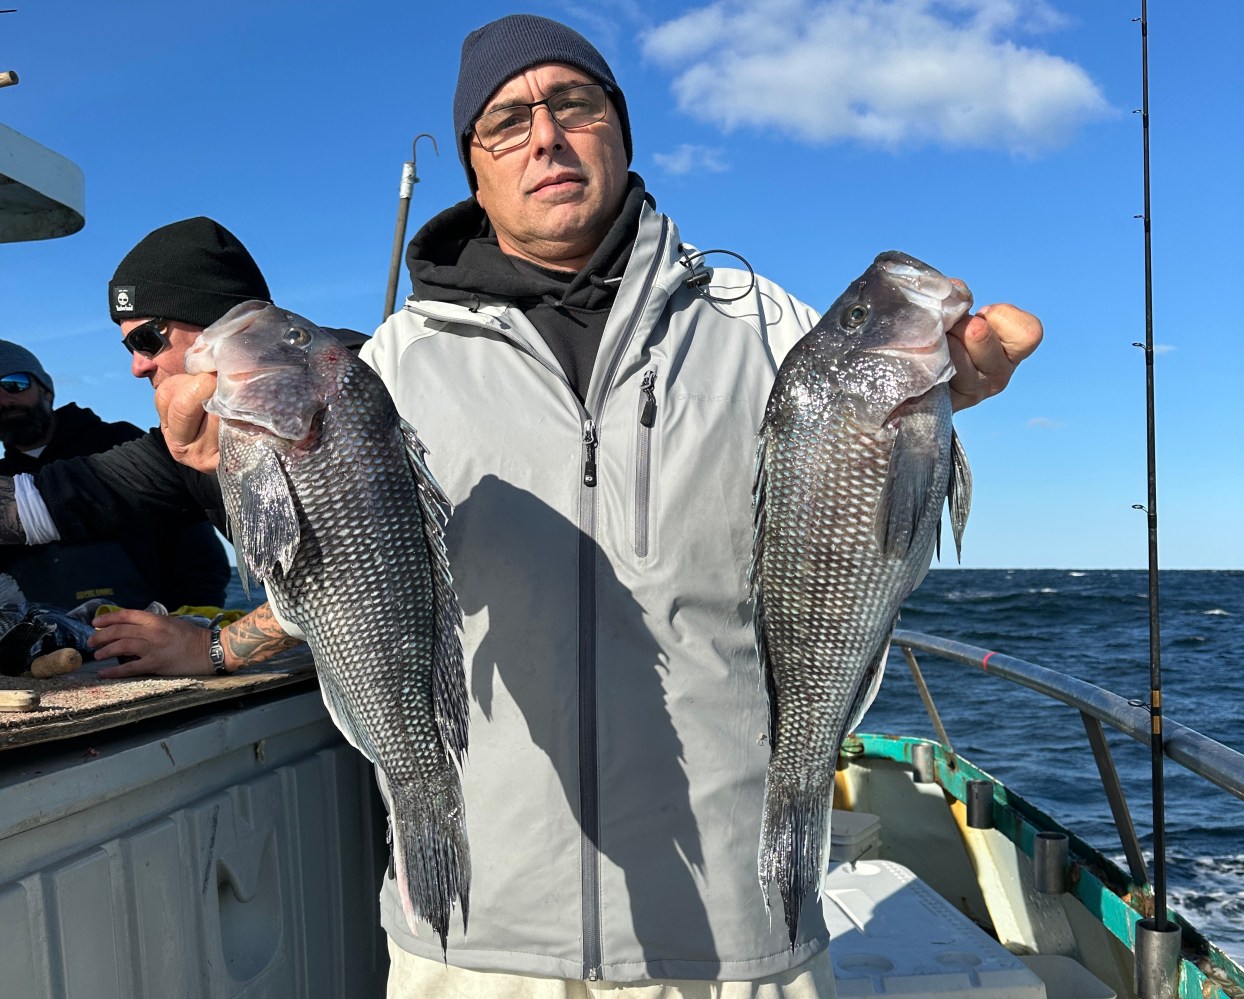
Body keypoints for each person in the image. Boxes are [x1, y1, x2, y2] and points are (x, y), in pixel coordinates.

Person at [145, 14, 1044, 998]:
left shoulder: (768, 326)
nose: (544, 135)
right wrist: (221, 545)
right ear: (472, 169)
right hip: (474, 943)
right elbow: (339, 578)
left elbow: (854, 518)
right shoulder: (385, 368)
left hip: (734, 938)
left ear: (618, 128)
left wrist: (931, 405)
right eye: (504, 122)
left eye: (571, 103)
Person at [0, 337, 230, 610]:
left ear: (47, 391)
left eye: (15, 384)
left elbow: (196, 545)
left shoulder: (121, 443)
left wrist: (195, 622)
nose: (4, 400)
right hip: (43, 643)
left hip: (149, 636)